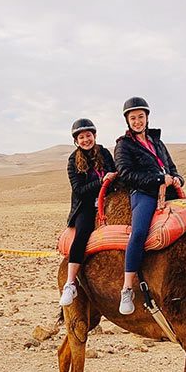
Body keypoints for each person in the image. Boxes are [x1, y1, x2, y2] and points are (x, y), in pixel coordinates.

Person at [112, 97, 183, 315]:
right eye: (133, 118)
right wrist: (157, 180)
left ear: (147, 118)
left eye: (140, 117)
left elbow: (170, 166)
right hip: (143, 193)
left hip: (169, 193)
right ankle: (127, 288)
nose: (137, 121)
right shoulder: (123, 145)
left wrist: (178, 178)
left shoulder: (157, 142)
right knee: (140, 232)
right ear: (127, 121)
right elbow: (126, 174)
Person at [61, 118, 117, 306]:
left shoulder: (104, 153)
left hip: (110, 201)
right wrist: (101, 182)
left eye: (89, 135)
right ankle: (70, 283)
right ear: (76, 141)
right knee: (83, 234)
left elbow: (116, 174)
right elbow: (79, 190)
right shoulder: (72, 160)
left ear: (94, 136)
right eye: (82, 137)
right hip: (85, 205)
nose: (86, 140)